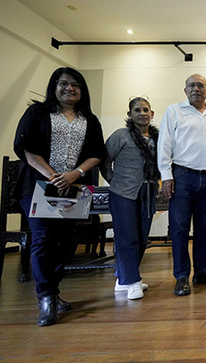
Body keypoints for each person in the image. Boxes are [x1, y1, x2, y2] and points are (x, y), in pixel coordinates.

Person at [13, 67, 105, 326]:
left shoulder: (89, 119)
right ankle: (46, 298)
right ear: (54, 86)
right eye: (63, 84)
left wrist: (75, 174)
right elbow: (25, 148)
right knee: (43, 239)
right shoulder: (37, 112)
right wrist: (54, 176)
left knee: (65, 243)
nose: (70, 89)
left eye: (75, 85)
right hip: (38, 186)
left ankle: (53, 290)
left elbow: (97, 153)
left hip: (74, 187)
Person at [158, 74, 206, 297]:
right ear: (185, 90)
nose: (196, 89)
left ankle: (202, 271)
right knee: (179, 229)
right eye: (191, 86)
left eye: (200, 85)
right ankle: (181, 277)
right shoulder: (174, 111)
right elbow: (164, 144)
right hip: (182, 176)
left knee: (204, 228)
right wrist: (166, 175)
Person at [102, 97, 159, 300]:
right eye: (137, 110)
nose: (142, 113)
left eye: (146, 110)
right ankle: (132, 281)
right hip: (123, 193)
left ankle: (123, 277)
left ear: (152, 114)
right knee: (127, 237)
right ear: (130, 114)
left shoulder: (157, 139)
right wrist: (113, 180)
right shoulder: (121, 135)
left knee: (142, 237)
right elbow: (105, 160)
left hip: (148, 193)